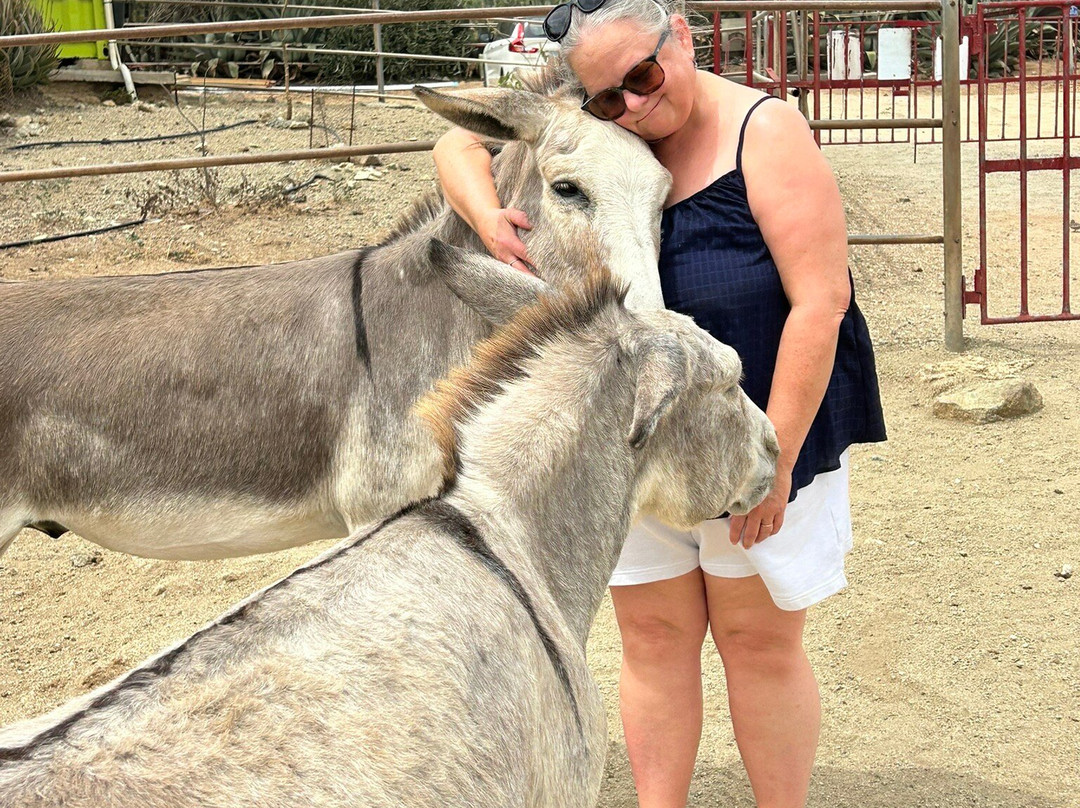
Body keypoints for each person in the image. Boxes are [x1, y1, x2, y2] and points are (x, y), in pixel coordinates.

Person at [432, 1, 887, 805]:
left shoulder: (766, 132)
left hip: (751, 432)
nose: (632, 108)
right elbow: (458, 136)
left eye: (642, 78)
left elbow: (822, 302)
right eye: (609, 97)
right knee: (652, 639)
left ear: (680, 33)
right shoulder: (593, 116)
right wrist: (486, 218)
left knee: (758, 641)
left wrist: (772, 458)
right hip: (633, 434)